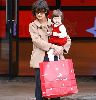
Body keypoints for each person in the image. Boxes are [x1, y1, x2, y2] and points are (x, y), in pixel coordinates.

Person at [29, 0, 71, 100]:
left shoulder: (54, 22)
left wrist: (61, 48)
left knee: (56, 87)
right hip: (40, 59)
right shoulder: (32, 25)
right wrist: (53, 46)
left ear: (46, 11)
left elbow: (67, 39)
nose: (39, 14)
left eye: (42, 11)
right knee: (40, 87)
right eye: (37, 12)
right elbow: (37, 41)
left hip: (54, 58)